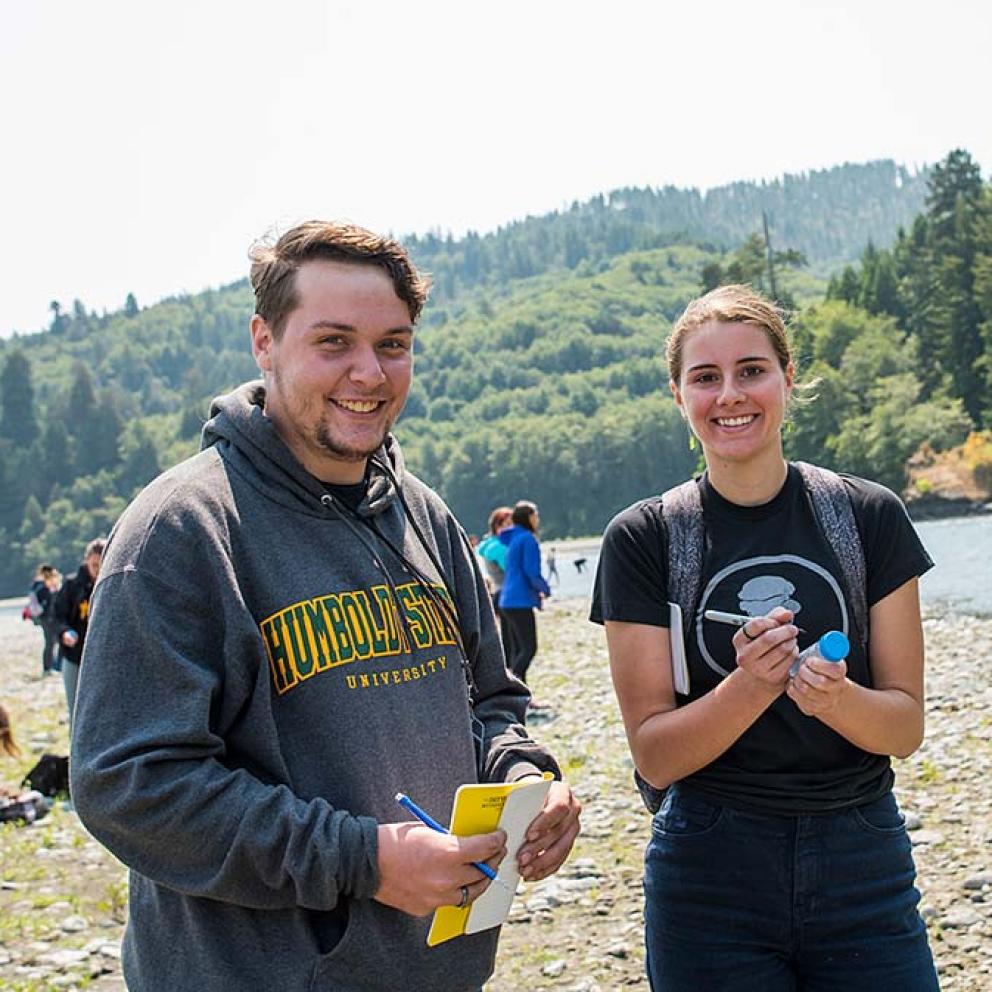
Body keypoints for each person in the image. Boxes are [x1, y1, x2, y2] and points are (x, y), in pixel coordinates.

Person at [70, 221, 581, 992]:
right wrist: (362, 861)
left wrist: (525, 779)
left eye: (394, 344)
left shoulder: (424, 516)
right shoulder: (183, 530)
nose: (369, 373)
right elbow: (129, 784)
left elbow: (492, 700)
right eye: (334, 342)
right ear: (264, 342)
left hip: (438, 969)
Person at [591, 284, 937, 991]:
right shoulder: (643, 538)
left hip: (862, 855)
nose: (730, 395)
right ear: (678, 395)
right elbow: (655, 754)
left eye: (751, 370)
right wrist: (748, 688)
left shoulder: (871, 517)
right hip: (708, 869)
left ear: (788, 378)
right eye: (705, 377)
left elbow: (903, 727)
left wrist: (835, 700)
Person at [498, 501, 551, 686]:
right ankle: (511, 686)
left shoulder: (513, 538)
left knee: (517, 650)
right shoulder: (528, 538)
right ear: (528, 517)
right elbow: (531, 571)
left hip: (507, 600)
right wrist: (545, 589)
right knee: (529, 648)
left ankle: (523, 698)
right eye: (536, 515)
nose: (538, 519)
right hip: (519, 601)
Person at [55, 539, 104, 728]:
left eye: (101, 565)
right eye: (93, 565)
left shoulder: (113, 584)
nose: (98, 570)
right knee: (75, 712)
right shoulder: (72, 585)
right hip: (74, 656)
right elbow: (57, 617)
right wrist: (64, 632)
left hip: (103, 658)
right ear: (86, 562)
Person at [476, 505, 514, 652]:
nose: (510, 529)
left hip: (499, 593)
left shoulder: (489, 545)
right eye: (506, 525)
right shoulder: (498, 548)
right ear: (497, 527)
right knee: (514, 641)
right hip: (506, 593)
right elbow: (513, 568)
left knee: (508, 637)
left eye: (512, 525)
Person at [29, 563, 62, 677]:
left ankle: (55, 666)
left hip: (50, 618)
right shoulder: (41, 586)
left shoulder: (39, 585)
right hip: (46, 618)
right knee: (50, 642)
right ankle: (48, 668)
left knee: (54, 641)